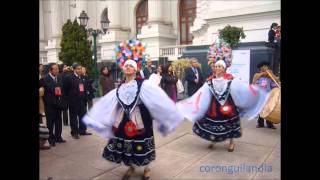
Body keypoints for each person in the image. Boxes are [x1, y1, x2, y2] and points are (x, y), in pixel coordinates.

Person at [82, 58, 185, 180]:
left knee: (142, 141)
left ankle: (146, 168)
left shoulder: (144, 84)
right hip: (125, 119)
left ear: (135, 69)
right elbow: (109, 100)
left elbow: (157, 98)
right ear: (123, 69)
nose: (128, 68)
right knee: (128, 143)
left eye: (131, 66)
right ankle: (131, 166)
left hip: (142, 118)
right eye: (126, 66)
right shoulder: (120, 86)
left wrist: (167, 111)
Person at [177, 59, 269, 152]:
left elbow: (241, 87)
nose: (217, 68)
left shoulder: (230, 78)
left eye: (219, 66)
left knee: (230, 123)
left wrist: (253, 93)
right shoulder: (210, 80)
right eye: (216, 66)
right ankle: (213, 140)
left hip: (228, 104)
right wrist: (190, 103)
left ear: (224, 68)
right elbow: (202, 92)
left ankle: (231, 143)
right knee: (213, 122)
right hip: (214, 106)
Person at [40, 63, 67, 146]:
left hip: (58, 103)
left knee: (59, 120)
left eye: (57, 69)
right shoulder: (44, 79)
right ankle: (50, 138)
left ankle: (58, 137)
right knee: (50, 122)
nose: (57, 71)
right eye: (55, 69)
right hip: (49, 104)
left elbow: (62, 89)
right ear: (50, 70)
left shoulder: (59, 77)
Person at [65, 63, 92, 139]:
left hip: (82, 101)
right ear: (74, 69)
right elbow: (65, 89)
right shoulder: (69, 77)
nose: (79, 70)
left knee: (83, 116)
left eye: (80, 69)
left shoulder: (83, 77)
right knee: (73, 118)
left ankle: (82, 130)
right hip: (73, 101)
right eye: (78, 69)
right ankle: (74, 132)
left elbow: (85, 88)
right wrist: (68, 99)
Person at [252, 61, 279, 129]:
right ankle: (260, 123)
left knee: (268, 109)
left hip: (269, 95)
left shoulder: (270, 75)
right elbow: (254, 82)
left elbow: (276, 80)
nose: (266, 67)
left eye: (266, 66)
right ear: (261, 68)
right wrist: (263, 73)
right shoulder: (257, 74)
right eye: (264, 66)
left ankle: (269, 124)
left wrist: (271, 74)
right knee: (261, 109)